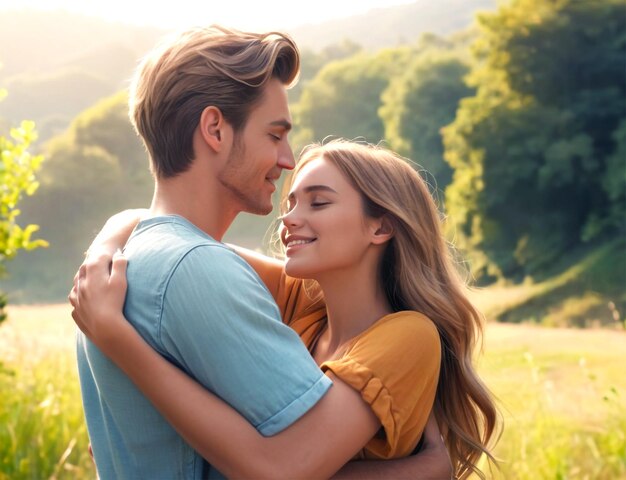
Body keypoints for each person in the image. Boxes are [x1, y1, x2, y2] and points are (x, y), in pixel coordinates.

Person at [71, 25, 453, 479]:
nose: (287, 159)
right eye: (275, 135)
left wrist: (106, 243)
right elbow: (282, 470)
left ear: (382, 226)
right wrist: (429, 468)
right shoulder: (199, 270)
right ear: (215, 129)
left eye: (320, 201)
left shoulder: (123, 269)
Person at [71, 139, 499, 479]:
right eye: (291, 202)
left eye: (319, 202)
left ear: (381, 225)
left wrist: (116, 337)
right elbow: (142, 219)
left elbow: (280, 471)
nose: (289, 218)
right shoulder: (303, 300)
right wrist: (102, 254)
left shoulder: (409, 336)